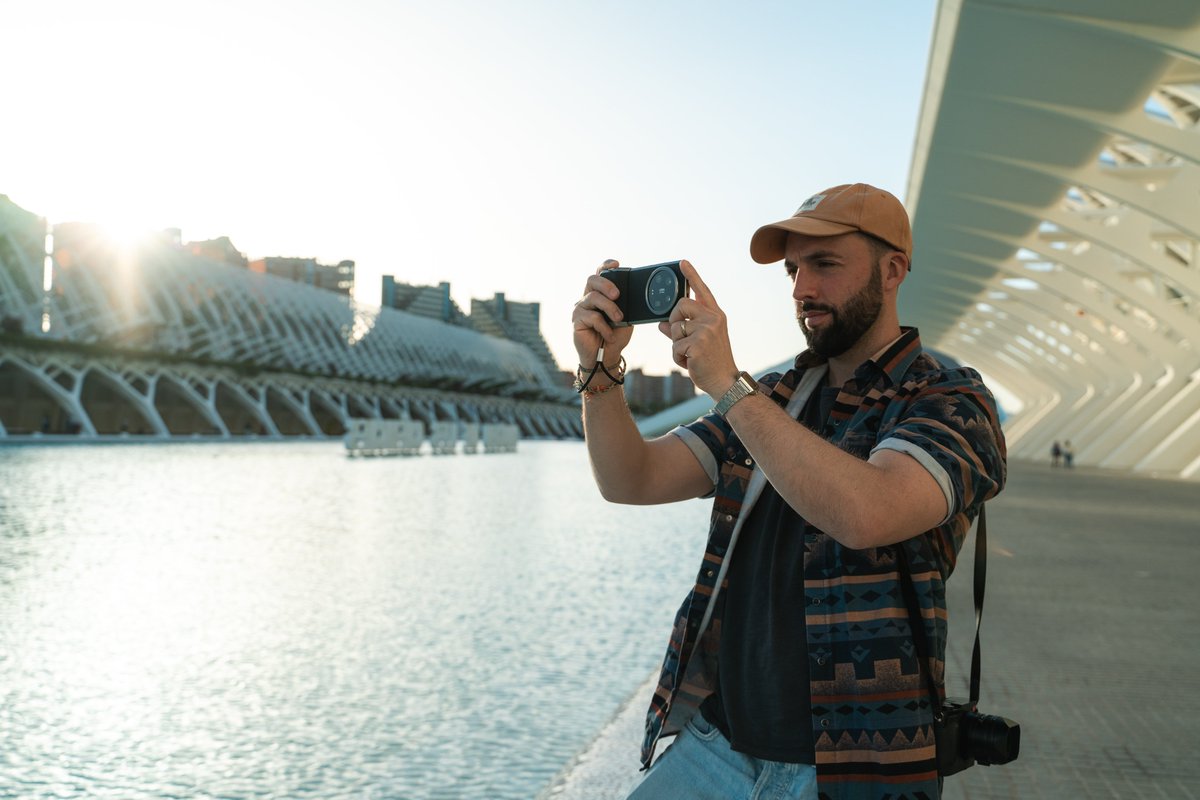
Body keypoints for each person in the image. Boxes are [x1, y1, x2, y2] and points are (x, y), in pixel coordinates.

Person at [570, 183, 1007, 800]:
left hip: (854, 771)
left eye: (825, 264)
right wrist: (598, 375)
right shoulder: (772, 397)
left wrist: (726, 385)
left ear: (892, 271)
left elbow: (867, 511)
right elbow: (630, 479)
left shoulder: (950, 401)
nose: (802, 288)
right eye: (794, 269)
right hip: (717, 748)